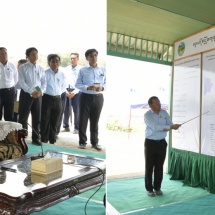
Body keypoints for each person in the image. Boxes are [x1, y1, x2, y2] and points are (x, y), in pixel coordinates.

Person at [144, 96, 181, 197]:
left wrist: (172, 127)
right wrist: (168, 127)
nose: (158, 104)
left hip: (162, 143)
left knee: (159, 166)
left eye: (159, 102)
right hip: (150, 143)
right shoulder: (147, 115)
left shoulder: (164, 113)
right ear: (150, 105)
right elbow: (155, 127)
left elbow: (170, 124)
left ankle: (157, 188)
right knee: (149, 167)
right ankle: (149, 189)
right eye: (156, 102)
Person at [75, 49, 106, 151]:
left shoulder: (103, 69)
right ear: (87, 58)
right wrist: (87, 87)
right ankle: (82, 142)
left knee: (95, 121)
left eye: (95, 55)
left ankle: (95, 142)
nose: (94, 58)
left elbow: (107, 83)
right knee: (83, 121)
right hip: (85, 97)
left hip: (98, 97)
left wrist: (102, 88)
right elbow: (77, 84)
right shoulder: (83, 70)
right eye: (91, 56)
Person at [18, 47, 46, 146]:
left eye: (36, 54)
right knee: (23, 118)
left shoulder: (41, 68)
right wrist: (31, 91)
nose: (35, 56)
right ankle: (22, 138)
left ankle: (36, 138)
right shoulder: (22, 67)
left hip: (38, 95)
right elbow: (21, 82)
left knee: (37, 117)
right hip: (26, 94)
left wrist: (41, 91)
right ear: (28, 56)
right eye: (33, 54)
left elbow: (44, 83)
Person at [40, 54, 67, 144]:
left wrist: (58, 94)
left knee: (56, 120)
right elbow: (38, 85)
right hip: (46, 98)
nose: (55, 63)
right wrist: (39, 92)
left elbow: (63, 87)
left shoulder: (62, 74)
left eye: (57, 61)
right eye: (53, 62)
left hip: (58, 99)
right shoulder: (44, 72)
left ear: (59, 63)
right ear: (49, 63)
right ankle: (44, 138)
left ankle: (53, 139)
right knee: (45, 119)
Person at [63, 53, 82, 134]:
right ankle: (66, 126)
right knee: (65, 109)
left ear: (78, 59)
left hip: (76, 92)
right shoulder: (66, 69)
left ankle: (77, 128)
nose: (72, 60)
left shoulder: (81, 69)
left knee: (77, 110)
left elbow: (82, 82)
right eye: (71, 58)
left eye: (74, 58)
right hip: (67, 91)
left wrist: (74, 92)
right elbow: (63, 81)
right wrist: (66, 91)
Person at [0, 47, 18, 121]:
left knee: (9, 114)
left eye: (5, 53)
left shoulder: (12, 65)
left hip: (10, 92)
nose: (4, 55)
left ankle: (9, 132)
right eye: (1, 54)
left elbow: (16, 79)